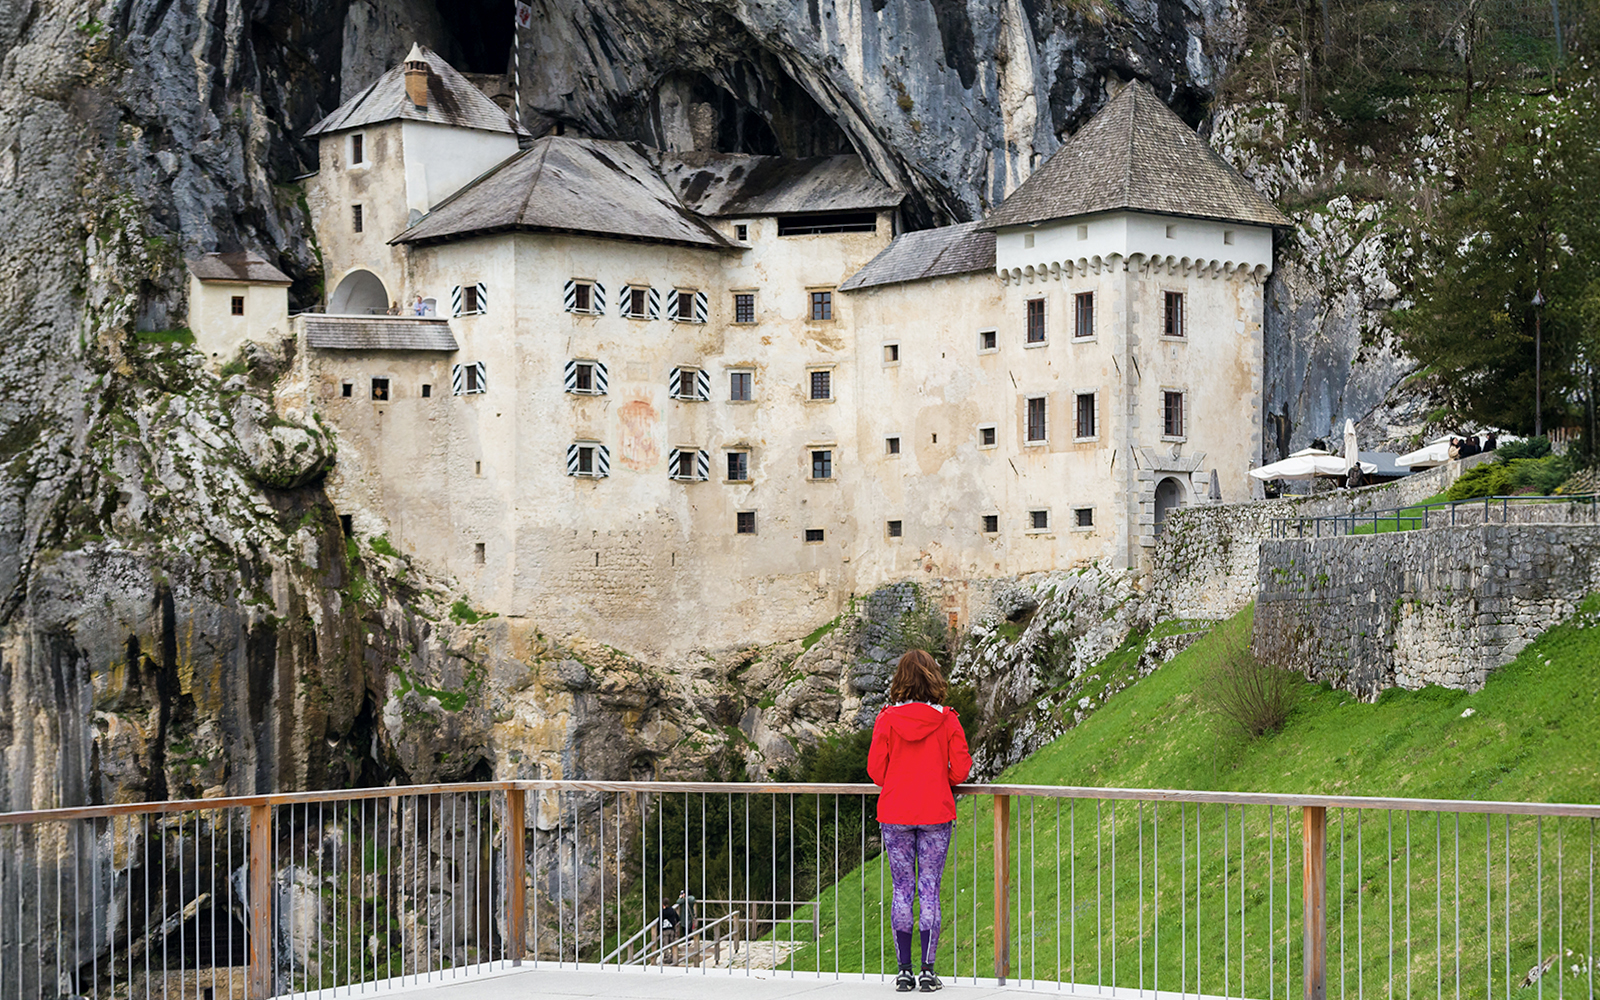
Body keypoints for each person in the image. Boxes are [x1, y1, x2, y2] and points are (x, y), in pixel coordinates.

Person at [868, 650, 972, 993]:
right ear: (933, 678)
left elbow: (876, 771)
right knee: (929, 889)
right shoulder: (947, 720)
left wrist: (899, 778)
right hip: (935, 813)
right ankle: (928, 972)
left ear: (900, 680)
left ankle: (903, 972)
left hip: (896, 812)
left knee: (902, 890)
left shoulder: (886, 719)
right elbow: (960, 770)